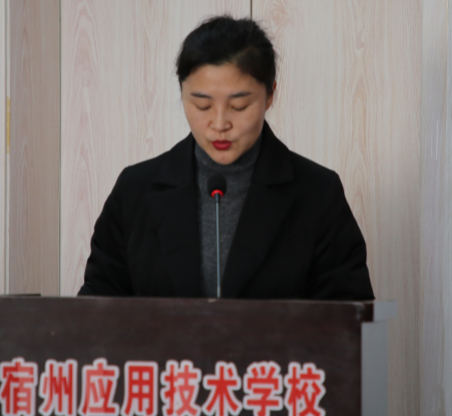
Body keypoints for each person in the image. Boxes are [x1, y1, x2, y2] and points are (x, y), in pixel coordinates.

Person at [78, 16, 374, 300]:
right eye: (202, 106)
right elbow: (96, 307)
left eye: (239, 106)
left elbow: (349, 315)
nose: (220, 124)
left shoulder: (318, 194)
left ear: (270, 95)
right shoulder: (134, 191)